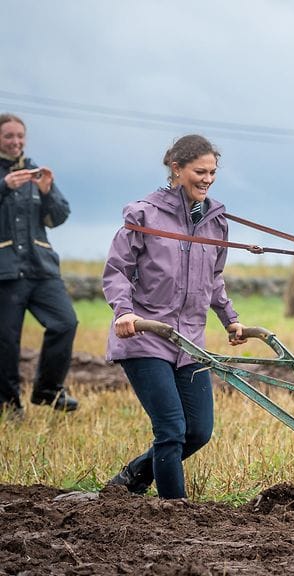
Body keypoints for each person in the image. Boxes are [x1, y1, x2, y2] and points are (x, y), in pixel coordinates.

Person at [102, 134, 248, 498]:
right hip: (146, 335)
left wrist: (229, 318)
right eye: (200, 171)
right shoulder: (144, 214)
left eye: (213, 172)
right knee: (170, 430)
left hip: (190, 341)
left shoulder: (215, 221)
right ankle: (173, 509)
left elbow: (213, 277)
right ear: (177, 168)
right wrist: (124, 312)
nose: (208, 179)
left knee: (198, 431)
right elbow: (117, 270)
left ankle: (132, 478)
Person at [0, 113, 79, 419]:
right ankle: (9, 406)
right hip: (5, 271)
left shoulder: (35, 174)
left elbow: (59, 217)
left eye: (20, 136)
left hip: (41, 268)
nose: (15, 141)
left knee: (65, 322)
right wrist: (4, 186)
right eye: (9, 136)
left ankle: (48, 390)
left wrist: (47, 192)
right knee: (6, 342)